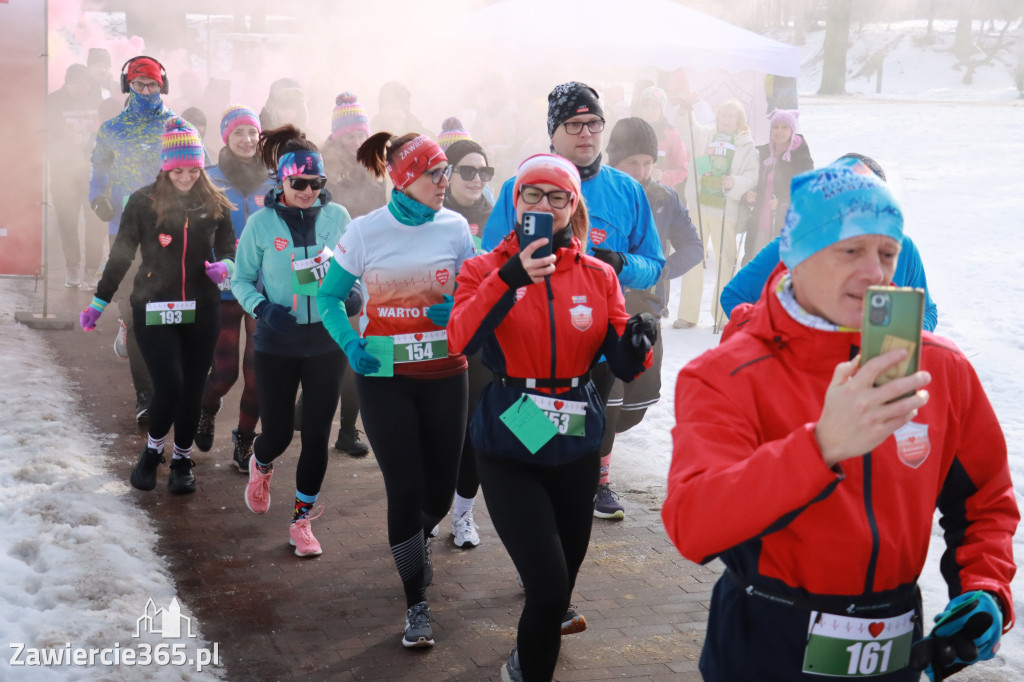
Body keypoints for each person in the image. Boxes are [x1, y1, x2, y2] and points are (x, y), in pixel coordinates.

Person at [662, 157, 1018, 681]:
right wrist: (820, 447)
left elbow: (984, 501)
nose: (875, 272)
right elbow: (694, 525)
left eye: (887, 252)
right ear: (797, 256)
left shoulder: (940, 369)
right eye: (851, 249)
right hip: (765, 645)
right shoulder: (726, 374)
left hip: (893, 647)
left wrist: (985, 588)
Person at [448, 154, 656, 682]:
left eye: (556, 197)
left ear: (572, 207)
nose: (544, 205)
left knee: (562, 581)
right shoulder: (483, 269)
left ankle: (527, 657)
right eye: (532, 195)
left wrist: (638, 342)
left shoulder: (599, 275)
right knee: (545, 586)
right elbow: (460, 341)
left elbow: (622, 361)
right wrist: (510, 278)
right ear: (516, 203)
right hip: (511, 434)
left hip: (576, 441)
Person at [316, 131, 474, 649]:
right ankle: (416, 605)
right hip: (384, 378)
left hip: (447, 374)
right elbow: (329, 297)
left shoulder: (454, 228)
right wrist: (348, 344)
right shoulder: (365, 232)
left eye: (446, 173)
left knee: (438, 493)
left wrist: (457, 310)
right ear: (406, 178)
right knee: (403, 489)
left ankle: (418, 539)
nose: (444, 182)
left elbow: (476, 291)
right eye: (435, 173)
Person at [481, 81, 665, 520]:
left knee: (587, 420)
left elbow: (654, 263)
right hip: (529, 334)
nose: (586, 133)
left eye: (593, 123)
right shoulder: (519, 186)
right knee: (536, 430)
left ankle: (589, 484)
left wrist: (619, 262)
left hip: (595, 329)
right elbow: (487, 263)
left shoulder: (627, 190)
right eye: (574, 124)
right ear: (554, 131)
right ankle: (532, 500)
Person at [80, 118, 235, 495]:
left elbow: (230, 245)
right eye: (178, 170)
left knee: (194, 387)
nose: (186, 177)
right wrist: (100, 301)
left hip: (202, 306)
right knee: (170, 384)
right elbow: (120, 256)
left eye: (194, 170)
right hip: (153, 306)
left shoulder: (214, 201)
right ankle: (152, 454)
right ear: (166, 167)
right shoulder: (142, 201)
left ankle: (182, 460)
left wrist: (226, 266)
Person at [230, 124, 352, 558]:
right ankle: (260, 465)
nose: (306, 190)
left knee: (317, 434)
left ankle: (301, 521)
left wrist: (354, 294)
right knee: (279, 434)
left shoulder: (338, 219)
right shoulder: (260, 224)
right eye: (297, 183)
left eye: (314, 183)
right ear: (281, 182)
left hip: (327, 341)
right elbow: (240, 278)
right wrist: (262, 309)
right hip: (277, 343)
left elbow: (356, 270)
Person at [595, 118, 703, 520]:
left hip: (647, 314)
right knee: (606, 402)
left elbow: (693, 246)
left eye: (647, 162)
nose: (641, 172)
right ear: (614, 161)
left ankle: (588, 455)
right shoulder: (596, 195)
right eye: (632, 163)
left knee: (636, 406)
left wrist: (661, 272)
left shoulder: (664, 197)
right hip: (604, 315)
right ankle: (598, 483)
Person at [721, 153, 939, 332]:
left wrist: (909, 335)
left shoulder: (903, 248)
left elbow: (926, 310)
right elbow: (734, 296)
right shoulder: (792, 247)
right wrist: (778, 336)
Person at [89, 55, 176, 423]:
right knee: (135, 309)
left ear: (162, 86)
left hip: (170, 229)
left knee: (167, 311)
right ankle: (145, 397)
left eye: (152, 85)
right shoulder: (111, 129)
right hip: (124, 230)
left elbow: (199, 170)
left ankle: (168, 383)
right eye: (139, 84)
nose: (145, 90)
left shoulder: (176, 125)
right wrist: (98, 199)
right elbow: (99, 172)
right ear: (127, 86)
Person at [193, 105, 275, 471]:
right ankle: (206, 408)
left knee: (258, 375)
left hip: (264, 291)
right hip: (223, 288)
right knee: (224, 374)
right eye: (238, 133)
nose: (246, 139)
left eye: (252, 133)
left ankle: (244, 439)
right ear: (226, 137)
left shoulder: (276, 180)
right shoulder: (207, 179)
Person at [320, 91, 382, 456]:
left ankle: (348, 429)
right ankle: (308, 409)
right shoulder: (323, 169)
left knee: (358, 346)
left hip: (369, 265)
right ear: (337, 135)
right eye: (350, 135)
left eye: (361, 133)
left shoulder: (376, 168)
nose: (357, 141)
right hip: (331, 262)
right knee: (328, 348)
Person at [441, 137, 495, 547]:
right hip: (439, 338)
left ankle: (463, 515)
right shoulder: (434, 216)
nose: (477, 179)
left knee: (474, 435)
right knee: (442, 433)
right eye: (468, 170)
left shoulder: (499, 218)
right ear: (449, 173)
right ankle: (425, 517)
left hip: (484, 344)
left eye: (484, 172)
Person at [673, 99, 758, 330]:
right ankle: (688, 314)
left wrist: (736, 182)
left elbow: (752, 175)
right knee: (693, 259)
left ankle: (721, 314)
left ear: (738, 121)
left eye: (731, 116)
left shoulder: (746, 145)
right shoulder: (706, 135)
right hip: (700, 206)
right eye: (723, 115)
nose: (726, 120)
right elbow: (687, 129)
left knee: (724, 261)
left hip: (726, 211)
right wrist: (684, 108)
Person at [47, 63, 105, 289]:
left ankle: (91, 271)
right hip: (63, 172)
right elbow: (47, 135)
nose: (81, 89)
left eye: (85, 85)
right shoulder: (54, 101)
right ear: (67, 83)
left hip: (93, 172)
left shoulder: (97, 100)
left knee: (96, 223)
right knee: (67, 222)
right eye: (77, 85)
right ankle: (72, 266)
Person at [741, 108, 813, 266]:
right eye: (775, 127)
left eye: (784, 127)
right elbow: (754, 180)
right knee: (754, 268)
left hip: (783, 226)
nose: (779, 131)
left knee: (776, 272)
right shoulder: (764, 152)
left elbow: (805, 191)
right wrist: (749, 194)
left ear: (792, 130)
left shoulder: (801, 156)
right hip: (760, 222)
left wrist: (782, 203)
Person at [635, 85, 689, 189]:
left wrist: (664, 176)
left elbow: (682, 169)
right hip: (634, 192)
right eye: (646, 106)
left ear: (661, 110)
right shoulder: (631, 131)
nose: (650, 111)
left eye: (654, 107)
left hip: (661, 195)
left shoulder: (672, 135)